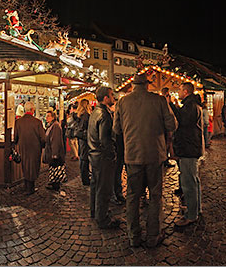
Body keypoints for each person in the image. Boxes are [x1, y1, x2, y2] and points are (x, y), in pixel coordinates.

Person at [112, 74, 177, 248]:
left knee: (133, 196)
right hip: (155, 155)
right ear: (147, 85)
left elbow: (116, 129)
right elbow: (172, 125)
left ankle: (134, 236)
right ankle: (153, 236)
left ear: (133, 85)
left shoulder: (122, 102)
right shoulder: (159, 100)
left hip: (132, 156)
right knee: (155, 196)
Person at [88, 87, 121, 229]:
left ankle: (95, 212)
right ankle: (102, 218)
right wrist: (111, 155)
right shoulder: (104, 114)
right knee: (103, 188)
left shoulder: (95, 112)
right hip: (102, 157)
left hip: (94, 155)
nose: (113, 97)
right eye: (111, 95)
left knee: (96, 185)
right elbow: (105, 139)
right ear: (106, 98)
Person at [172, 82, 204, 227]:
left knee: (189, 182)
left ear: (185, 92)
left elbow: (183, 122)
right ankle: (196, 208)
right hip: (191, 147)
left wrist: (172, 107)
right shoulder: (193, 105)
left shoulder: (190, 106)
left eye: (179, 90)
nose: (178, 92)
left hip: (188, 148)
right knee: (193, 180)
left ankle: (191, 215)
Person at [13, 101, 46, 195]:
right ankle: (30, 187)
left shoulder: (18, 122)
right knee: (34, 166)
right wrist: (42, 146)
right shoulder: (37, 122)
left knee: (25, 166)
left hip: (23, 148)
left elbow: (15, 138)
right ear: (32, 110)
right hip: (35, 148)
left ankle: (27, 186)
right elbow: (43, 138)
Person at [43, 110, 66, 191]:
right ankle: (53, 183)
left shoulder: (55, 126)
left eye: (48, 116)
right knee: (53, 168)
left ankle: (55, 185)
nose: (46, 118)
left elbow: (55, 141)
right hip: (52, 151)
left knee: (56, 167)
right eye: (46, 116)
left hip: (55, 152)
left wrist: (55, 154)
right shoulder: (51, 125)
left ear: (53, 117)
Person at [73, 99, 91, 186]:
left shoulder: (79, 115)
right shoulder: (86, 116)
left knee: (82, 158)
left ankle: (84, 176)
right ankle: (85, 179)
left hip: (81, 139)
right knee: (84, 158)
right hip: (84, 139)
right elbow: (84, 128)